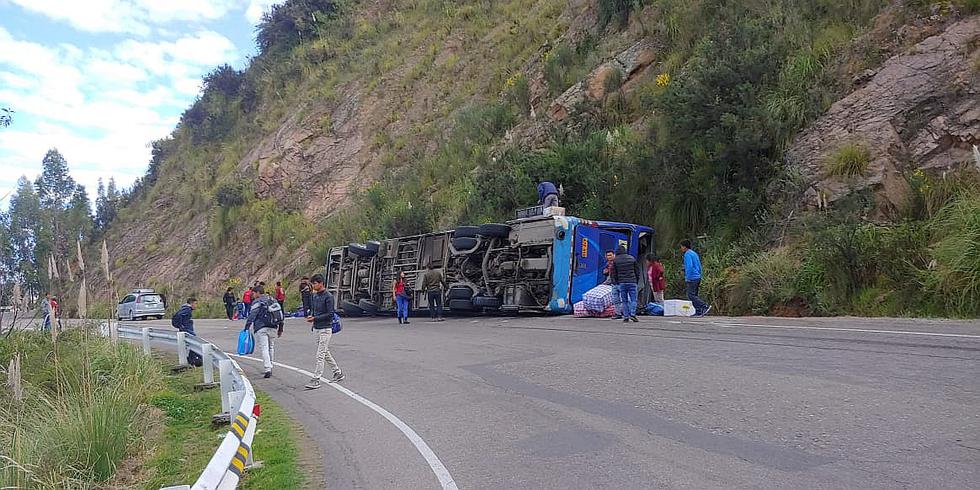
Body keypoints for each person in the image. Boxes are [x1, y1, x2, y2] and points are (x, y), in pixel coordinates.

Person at [305, 274, 343, 389]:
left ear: (321, 283)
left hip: (326, 328)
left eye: (315, 283)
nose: (313, 286)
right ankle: (337, 372)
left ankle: (316, 379)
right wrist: (312, 317)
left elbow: (330, 314)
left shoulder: (328, 296)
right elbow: (315, 310)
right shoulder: (315, 296)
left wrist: (315, 318)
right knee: (325, 352)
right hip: (317, 328)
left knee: (320, 355)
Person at [245, 285, 283, 378]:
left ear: (258, 292)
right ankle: (271, 366)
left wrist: (247, 326)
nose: (253, 295)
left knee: (264, 348)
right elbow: (280, 313)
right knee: (271, 347)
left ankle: (267, 368)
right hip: (273, 326)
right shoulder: (273, 300)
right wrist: (281, 328)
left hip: (261, 327)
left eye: (253, 293)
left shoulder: (257, 301)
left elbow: (252, 314)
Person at [680, 239, 711, 316]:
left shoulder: (687, 254)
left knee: (691, 295)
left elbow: (689, 267)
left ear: (684, 247)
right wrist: (700, 274)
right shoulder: (694, 253)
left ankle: (704, 306)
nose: (681, 248)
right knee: (695, 295)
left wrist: (688, 277)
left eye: (681, 246)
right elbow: (699, 265)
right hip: (697, 276)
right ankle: (698, 311)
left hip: (692, 277)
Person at [610, 245, 640, 323]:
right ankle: (633, 314)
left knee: (624, 301)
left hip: (622, 283)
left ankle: (626, 317)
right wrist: (636, 280)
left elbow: (614, 273)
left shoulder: (616, 260)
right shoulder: (631, 258)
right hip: (632, 282)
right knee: (633, 299)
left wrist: (617, 281)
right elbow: (637, 271)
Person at [171, 298, 203, 366]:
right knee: (194, 343)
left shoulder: (187, 309)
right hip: (187, 330)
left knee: (193, 344)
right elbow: (179, 315)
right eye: (195, 303)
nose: (196, 305)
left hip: (187, 329)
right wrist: (180, 325)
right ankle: (195, 359)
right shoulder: (187, 309)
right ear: (191, 303)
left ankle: (193, 359)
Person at [602, 250, 622, 319]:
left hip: (617, 282)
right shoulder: (607, 264)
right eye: (607, 255)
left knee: (620, 298)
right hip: (612, 281)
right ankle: (617, 312)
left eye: (610, 255)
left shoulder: (616, 262)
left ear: (614, 255)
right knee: (615, 299)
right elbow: (607, 273)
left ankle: (621, 313)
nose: (609, 257)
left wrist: (605, 283)